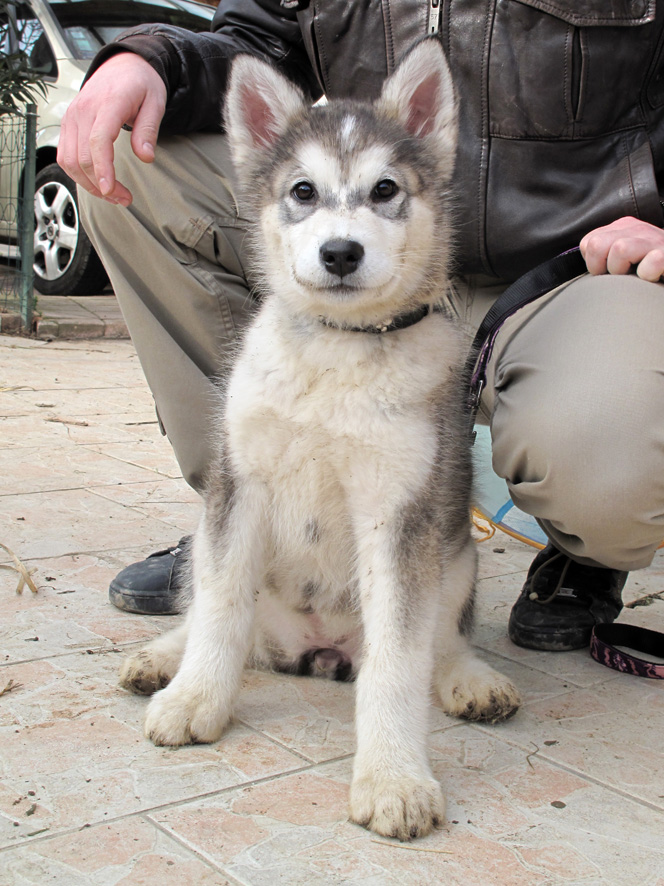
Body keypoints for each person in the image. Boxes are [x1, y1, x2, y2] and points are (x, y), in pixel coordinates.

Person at [58, 0, 664, 651]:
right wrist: (150, 61)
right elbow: (253, 41)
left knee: (612, 468)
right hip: (357, 234)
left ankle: (582, 552)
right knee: (127, 161)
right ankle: (258, 524)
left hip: (572, 267)